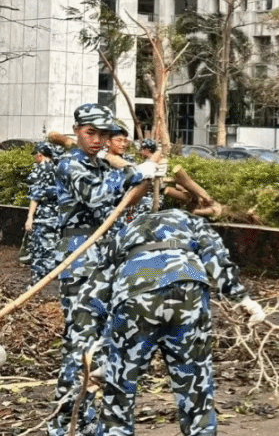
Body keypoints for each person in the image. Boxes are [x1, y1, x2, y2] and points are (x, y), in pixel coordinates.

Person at [69, 208, 266, 436]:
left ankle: (115, 430)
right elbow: (216, 257)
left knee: (120, 382)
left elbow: (95, 292)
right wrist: (243, 299)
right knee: (195, 376)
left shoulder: (125, 231)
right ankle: (201, 430)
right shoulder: (190, 220)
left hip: (135, 290)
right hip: (187, 286)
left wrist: (96, 352)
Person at [48, 103, 165, 436]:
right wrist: (135, 173)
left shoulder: (100, 164)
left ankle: (87, 420)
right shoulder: (70, 164)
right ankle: (62, 425)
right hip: (81, 263)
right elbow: (97, 196)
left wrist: (146, 177)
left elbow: (121, 203)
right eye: (91, 133)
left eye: (103, 134)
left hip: (107, 262)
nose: (97, 140)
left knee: (102, 347)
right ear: (77, 131)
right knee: (80, 346)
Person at [25, 142, 64, 284]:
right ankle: (55, 278)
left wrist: (30, 217)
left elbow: (36, 196)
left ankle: (38, 280)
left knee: (40, 250)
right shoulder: (61, 168)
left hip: (44, 216)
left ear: (40, 155)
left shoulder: (40, 169)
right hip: (60, 216)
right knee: (56, 247)